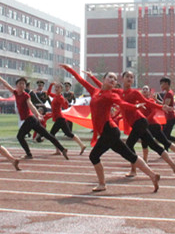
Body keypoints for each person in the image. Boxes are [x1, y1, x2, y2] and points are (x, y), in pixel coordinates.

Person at [62, 64, 160, 193]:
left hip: (110, 130)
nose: (113, 80)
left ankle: (102, 184)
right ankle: (153, 175)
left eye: (114, 79)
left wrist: (135, 107)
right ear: (104, 79)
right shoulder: (94, 91)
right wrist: (69, 69)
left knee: (94, 156)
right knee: (129, 155)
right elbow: (81, 80)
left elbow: (122, 103)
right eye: (110, 77)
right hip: (108, 131)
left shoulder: (111, 95)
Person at [118, 71, 175, 179]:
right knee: (154, 145)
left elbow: (148, 102)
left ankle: (134, 170)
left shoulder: (135, 93)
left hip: (140, 122)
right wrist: (91, 76)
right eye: (127, 76)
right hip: (138, 124)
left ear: (133, 80)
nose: (129, 78)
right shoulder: (118, 92)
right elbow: (102, 87)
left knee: (129, 145)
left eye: (131, 77)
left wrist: (161, 107)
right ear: (122, 78)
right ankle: (174, 166)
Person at [0, 73, 68, 160]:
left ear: (25, 86)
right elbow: (6, 85)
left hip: (29, 119)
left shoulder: (26, 95)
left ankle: (29, 154)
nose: (22, 85)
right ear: (17, 85)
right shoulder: (15, 92)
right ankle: (62, 149)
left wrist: (38, 114)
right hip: (32, 120)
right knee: (47, 135)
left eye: (23, 84)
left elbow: (31, 105)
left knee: (20, 136)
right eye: (20, 83)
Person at [45, 81, 87, 154]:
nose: (56, 89)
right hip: (59, 118)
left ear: (61, 89)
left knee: (51, 134)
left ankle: (59, 150)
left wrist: (65, 102)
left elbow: (66, 106)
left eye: (58, 87)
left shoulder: (60, 97)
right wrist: (51, 85)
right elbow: (48, 93)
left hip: (60, 118)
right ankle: (82, 145)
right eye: (56, 87)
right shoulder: (55, 96)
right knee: (68, 133)